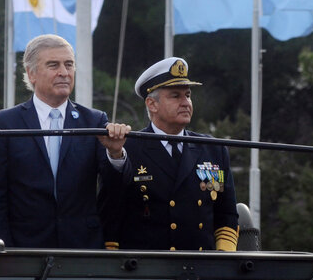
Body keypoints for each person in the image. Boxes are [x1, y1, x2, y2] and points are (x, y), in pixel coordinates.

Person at [0, 34, 130, 249]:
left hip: (82, 250)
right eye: (53, 65)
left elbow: (114, 192)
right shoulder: (4, 123)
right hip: (24, 250)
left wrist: (115, 155)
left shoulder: (94, 121)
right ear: (31, 74)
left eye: (69, 64)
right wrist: (4, 254)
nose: (64, 73)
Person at [101, 57, 238, 251]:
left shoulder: (212, 148)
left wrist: (222, 259)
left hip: (202, 266)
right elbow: (111, 212)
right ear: (152, 104)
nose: (186, 103)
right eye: (175, 96)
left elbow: (226, 213)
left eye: (188, 95)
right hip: (148, 269)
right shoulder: (127, 148)